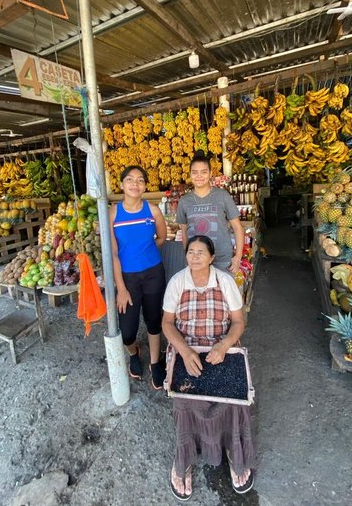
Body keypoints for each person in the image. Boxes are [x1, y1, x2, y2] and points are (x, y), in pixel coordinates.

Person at [162, 235, 255, 501]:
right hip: (187, 349)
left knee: (236, 400)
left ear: (212, 257)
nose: (194, 256)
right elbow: (167, 324)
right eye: (190, 251)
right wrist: (184, 350)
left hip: (220, 349)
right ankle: (184, 461)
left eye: (201, 252)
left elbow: (238, 322)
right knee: (184, 403)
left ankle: (233, 452)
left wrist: (224, 345)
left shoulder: (224, 281)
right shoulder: (177, 281)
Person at [109, 165, 167, 390]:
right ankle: (133, 352)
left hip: (153, 273)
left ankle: (155, 362)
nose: (135, 184)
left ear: (145, 186)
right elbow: (113, 253)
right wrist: (121, 288)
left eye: (140, 180)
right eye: (130, 180)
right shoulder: (113, 213)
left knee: (153, 320)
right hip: (128, 279)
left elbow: (161, 237)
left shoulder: (153, 211)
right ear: (122, 184)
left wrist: (147, 252)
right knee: (128, 331)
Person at [176, 151, 245, 273]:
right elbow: (184, 231)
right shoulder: (184, 201)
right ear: (190, 175)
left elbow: (238, 227)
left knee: (224, 292)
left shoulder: (222, 195)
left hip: (222, 259)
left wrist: (238, 257)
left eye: (204, 172)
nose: (199, 176)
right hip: (197, 260)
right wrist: (188, 255)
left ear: (210, 173)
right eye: (195, 172)